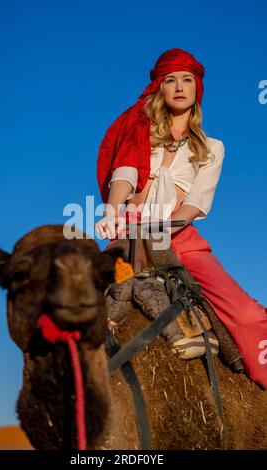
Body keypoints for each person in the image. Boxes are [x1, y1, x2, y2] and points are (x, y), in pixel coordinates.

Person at [95, 48, 267, 390]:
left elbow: (197, 202)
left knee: (247, 314)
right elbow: (124, 175)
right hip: (129, 238)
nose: (178, 86)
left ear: (196, 89)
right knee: (76, 304)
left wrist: (166, 225)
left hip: (180, 239)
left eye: (187, 80)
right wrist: (112, 212)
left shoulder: (212, 148)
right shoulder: (138, 132)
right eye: (170, 80)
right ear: (160, 87)